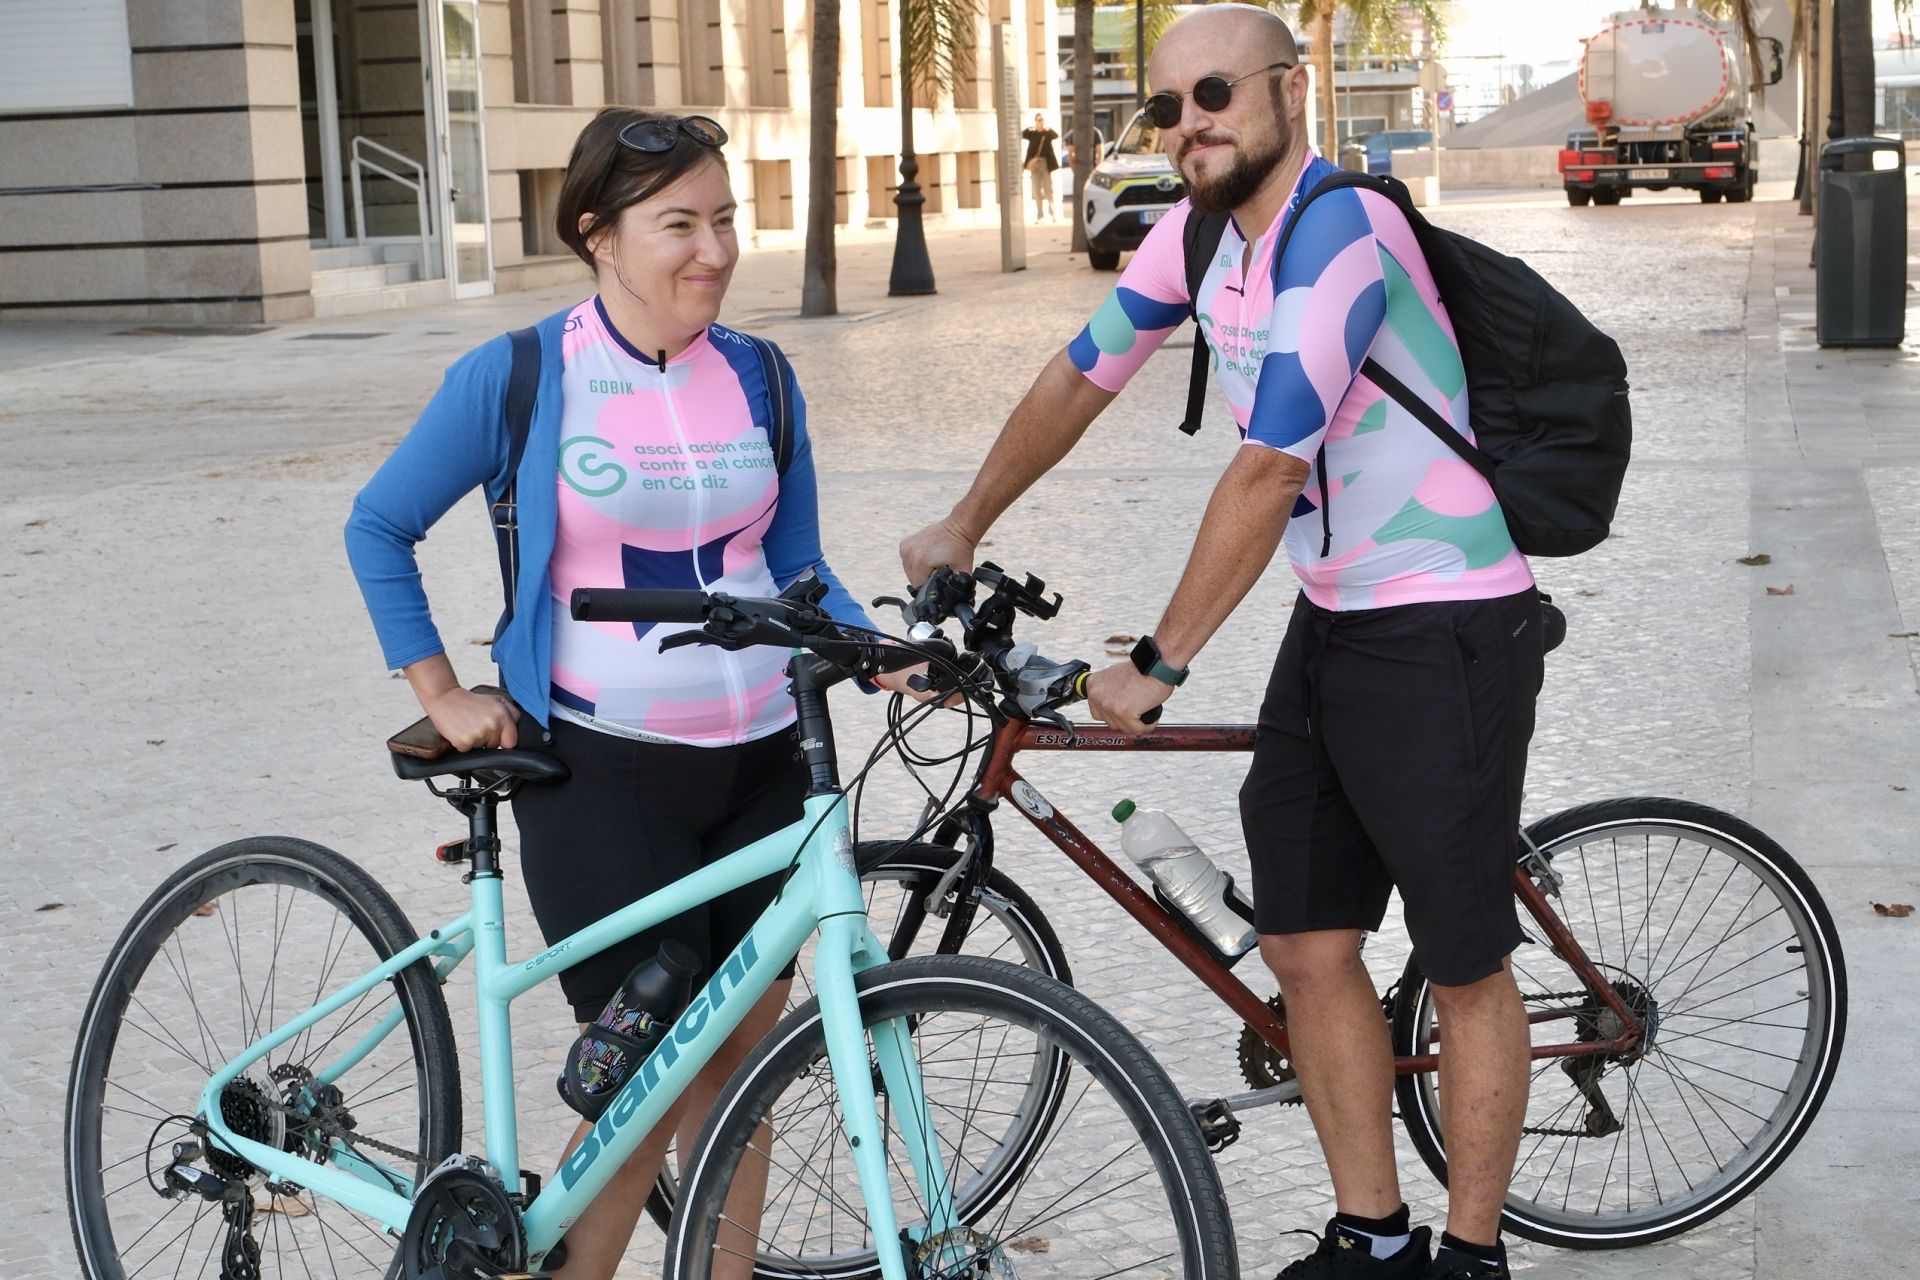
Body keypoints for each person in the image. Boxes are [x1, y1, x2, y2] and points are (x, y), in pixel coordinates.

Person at [899, 8, 1537, 1280]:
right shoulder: (1197, 238)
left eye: (1213, 92)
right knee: (1303, 939)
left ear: (1289, 92)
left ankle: (1471, 1253)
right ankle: (1373, 1232)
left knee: (1462, 958)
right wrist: (966, 520)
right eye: (1166, 106)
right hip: (1340, 615)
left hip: (1447, 618)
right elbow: (1083, 370)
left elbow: (1267, 465)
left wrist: (1161, 663)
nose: (1190, 122)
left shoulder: (1343, 229)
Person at [346, 108, 915, 1280]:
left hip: (764, 763)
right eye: (678, 225)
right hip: (605, 767)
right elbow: (380, 524)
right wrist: (443, 687)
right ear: (599, 235)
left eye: (724, 220)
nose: (711, 250)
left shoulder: (759, 373)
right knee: (648, 1080)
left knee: (743, 1068)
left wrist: (883, 647)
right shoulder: (523, 375)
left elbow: (796, 565)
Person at [1021, 112, 1060, 221]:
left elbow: (1056, 135)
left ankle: (1052, 211)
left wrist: (1047, 129)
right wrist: (1033, 128)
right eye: (1039, 120)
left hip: (1045, 164)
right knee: (1037, 190)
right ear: (1035, 121)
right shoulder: (1032, 133)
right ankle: (1040, 214)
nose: (1041, 122)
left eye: (1042, 120)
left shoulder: (1047, 134)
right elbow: (1022, 133)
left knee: (1048, 189)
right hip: (1034, 164)